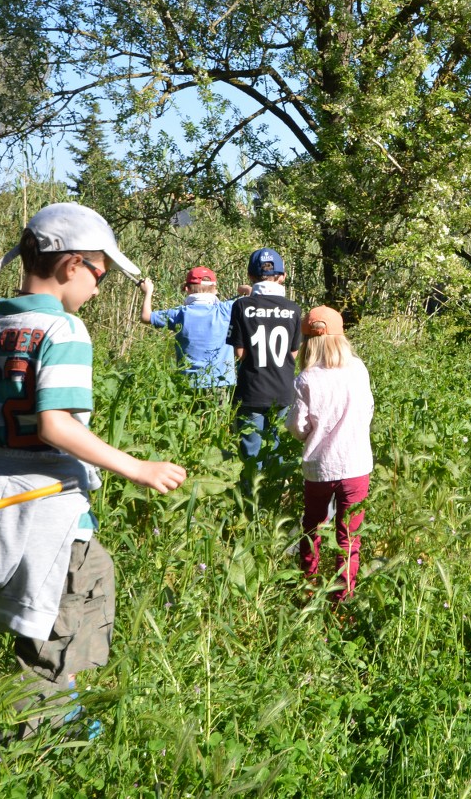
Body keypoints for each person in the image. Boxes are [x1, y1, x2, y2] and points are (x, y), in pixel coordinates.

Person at [0, 202, 188, 738]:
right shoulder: (64, 330)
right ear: (71, 265)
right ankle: (40, 735)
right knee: (60, 612)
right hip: (51, 506)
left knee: (67, 593)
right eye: (99, 275)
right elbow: (56, 424)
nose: (98, 289)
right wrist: (138, 468)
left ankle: (63, 707)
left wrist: (8, 459)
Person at [285, 306, 374, 601]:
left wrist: (309, 434)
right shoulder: (358, 369)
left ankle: (307, 588)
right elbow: (368, 410)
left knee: (312, 528)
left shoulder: (306, 379)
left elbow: (297, 426)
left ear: (308, 343)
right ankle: (343, 599)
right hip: (356, 464)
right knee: (349, 538)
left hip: (320, 467)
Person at [227, 248, 302, 473]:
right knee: (275, 445)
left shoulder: (242, 306)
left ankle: (252, 491)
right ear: (283, 277)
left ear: (250, 276)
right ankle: (275, 487)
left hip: (252, 388)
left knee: (251, 450)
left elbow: (240, 353)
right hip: (282, 388)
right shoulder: (293, 309)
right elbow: (294, 353)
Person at [137, 266, 236, 398]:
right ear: (215, 289)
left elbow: (146, 317)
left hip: (187, 382)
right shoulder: (226, 309)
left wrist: (148, 292)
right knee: (217, 411)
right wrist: (247, 290)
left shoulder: (180, 314)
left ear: (187, 289)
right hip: (218, 381)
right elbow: (256, 299)